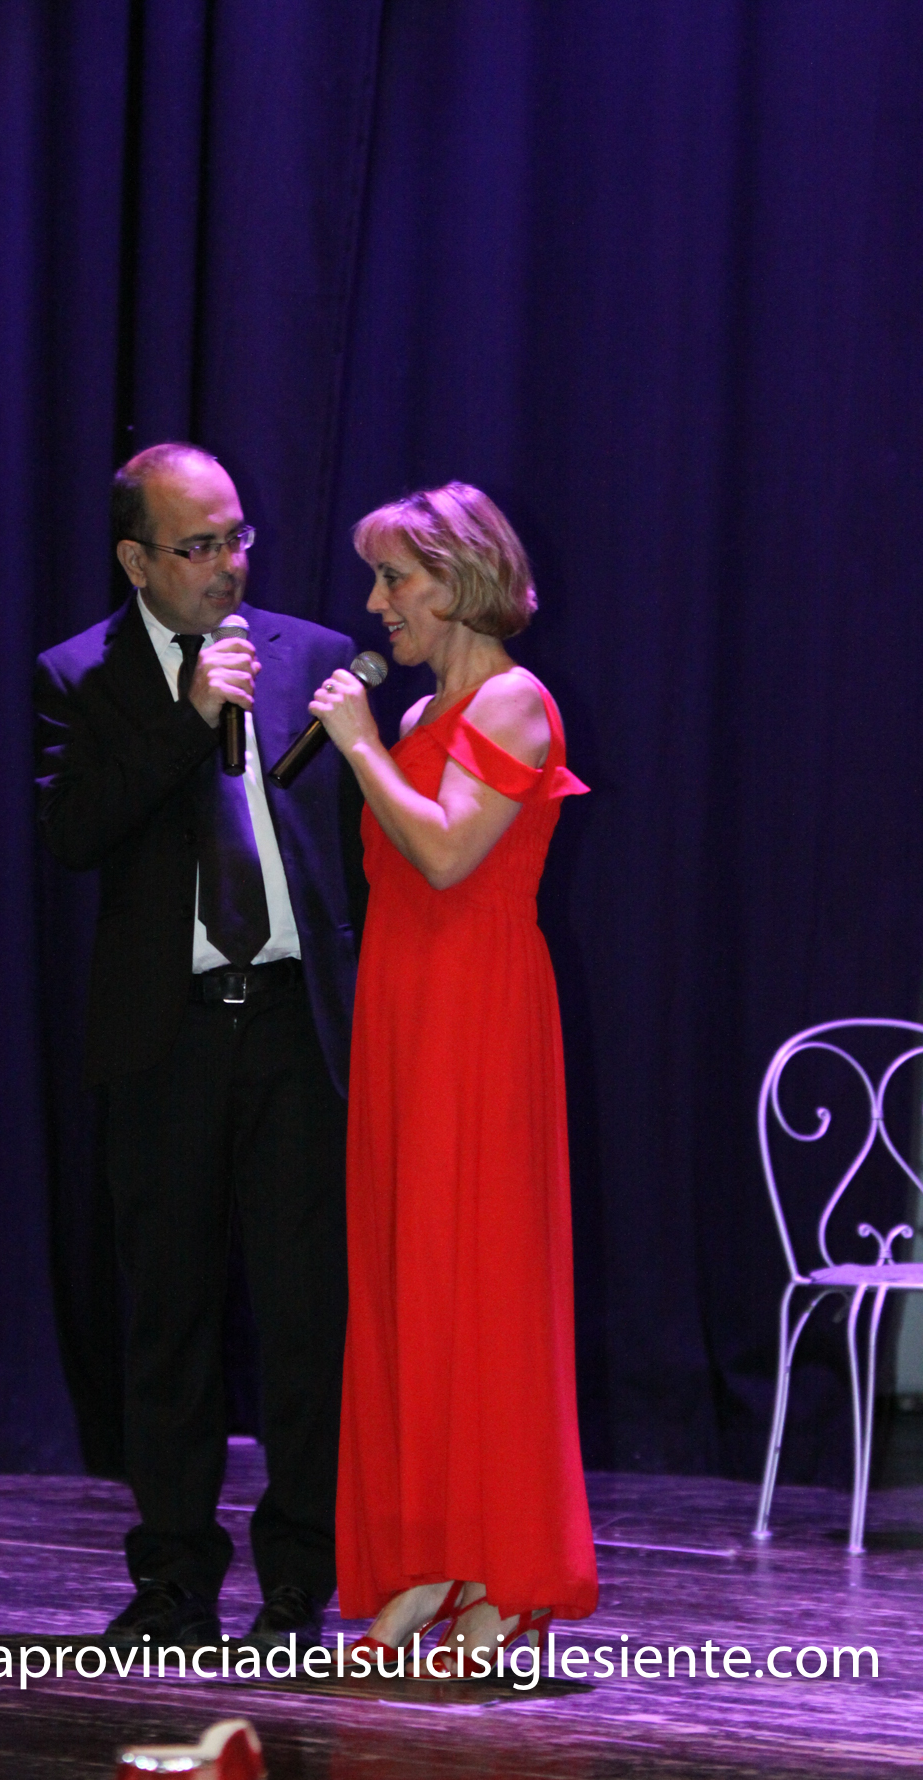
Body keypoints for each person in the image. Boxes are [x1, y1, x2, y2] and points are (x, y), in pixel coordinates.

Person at [34, 443, 363, 1653]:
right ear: (137, 560)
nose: (228, 566)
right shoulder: (81, 674)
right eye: (198, 546)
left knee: (306, 1319)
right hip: (163, 1036)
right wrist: (188, 723)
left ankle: (300, 1581)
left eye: (237, 540)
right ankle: (174, 1581)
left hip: (296, 1026)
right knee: (167, 1321)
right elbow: (75, 834)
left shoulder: (313, 656)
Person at [308, 481, 599, 1663]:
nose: (377, 603)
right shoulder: (429, 706)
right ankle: (431, 1556)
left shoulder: (517, 701)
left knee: (479, 1285)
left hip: (477, 1019)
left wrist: (361, 746)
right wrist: (379, 741)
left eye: (396, 579)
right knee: (411, 1287)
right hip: (404, 1016)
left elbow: (444, 852)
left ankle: (500, 1569)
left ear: (463, 578)